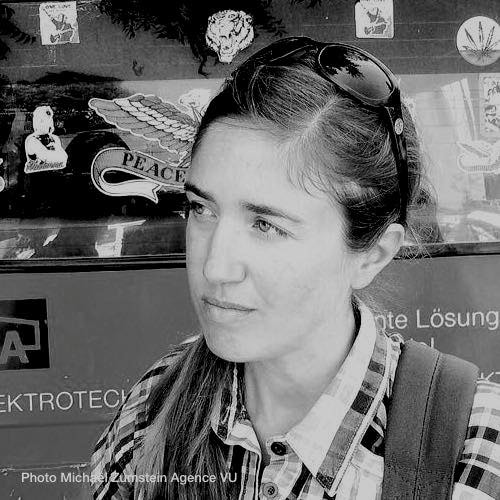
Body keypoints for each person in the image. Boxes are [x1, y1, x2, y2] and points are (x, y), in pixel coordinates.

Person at [90, 37, 500, 500]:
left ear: (371, 254)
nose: (215, 267)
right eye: (201, 209)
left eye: (266, 225)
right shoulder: (156, 402)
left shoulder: (473, 448)